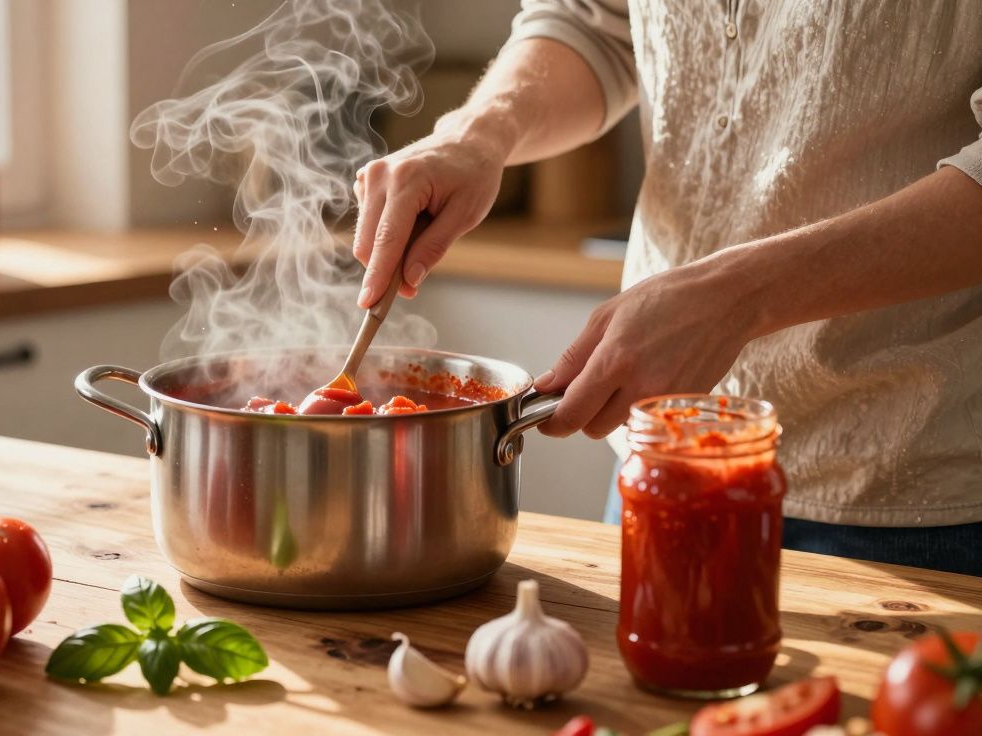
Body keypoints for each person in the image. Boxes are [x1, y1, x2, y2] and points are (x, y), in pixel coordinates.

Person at [351, 1, 982, 576]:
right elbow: (596, 22)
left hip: (915, 495)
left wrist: (737, 297)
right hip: (657, 452)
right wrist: (481, 130)